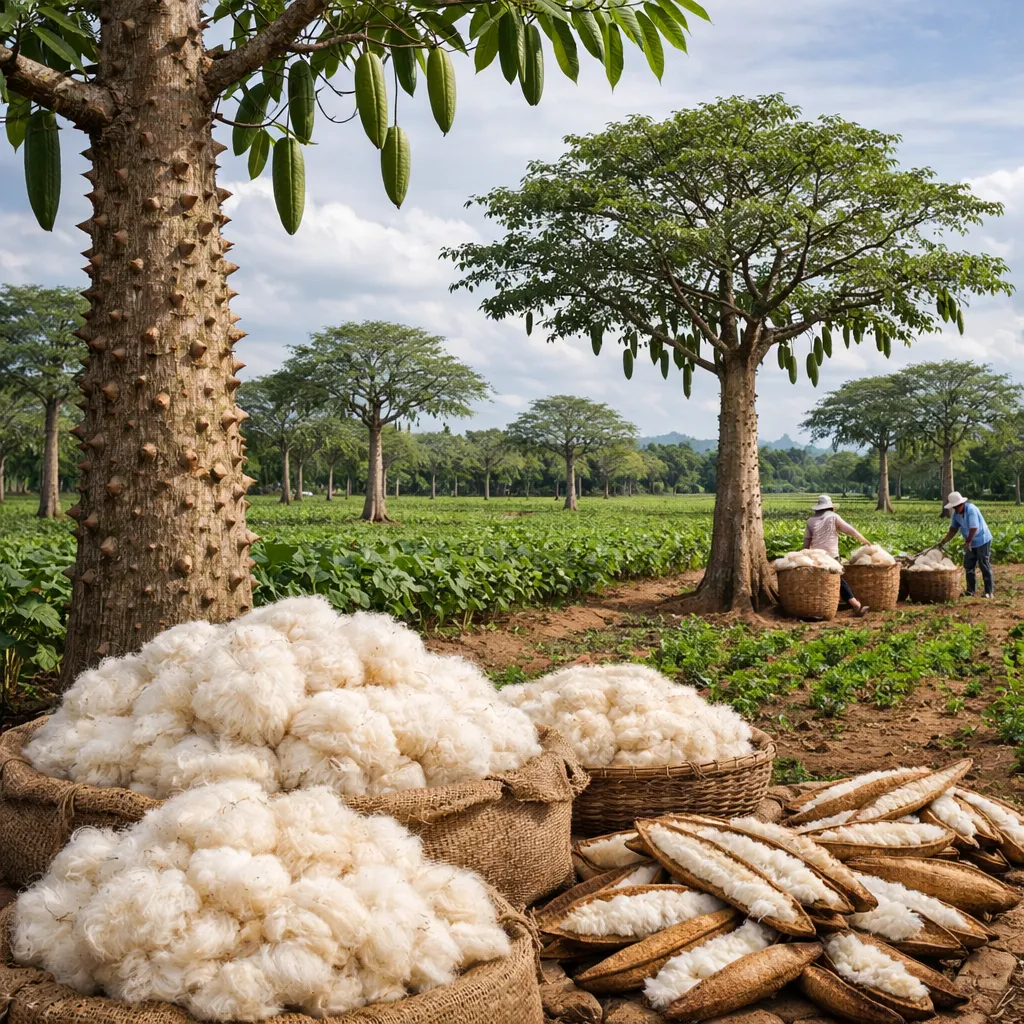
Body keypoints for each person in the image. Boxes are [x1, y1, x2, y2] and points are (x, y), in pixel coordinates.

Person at [803, 494, 871, 616]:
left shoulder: (810, 521)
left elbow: (806, 541)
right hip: (831, 555)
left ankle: (820, 605)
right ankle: (855, 605)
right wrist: (865, 541)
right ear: (830, 507)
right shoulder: (834, 517)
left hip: (816, 555)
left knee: (819, 580)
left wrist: (803, 555)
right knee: (837, 579)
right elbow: (850, 530)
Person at [939, 491, 994, 598]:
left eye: (957, 507)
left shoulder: (971, 509)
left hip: (982, 540)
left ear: (961, 504)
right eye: (954, 508)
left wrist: (968, 541)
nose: (956, 509)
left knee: (984, 564)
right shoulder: (956, 515)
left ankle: (989, 592)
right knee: (968, 565)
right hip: (970, 542)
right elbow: (953, 529)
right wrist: (943, 541)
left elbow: (974, 528)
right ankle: (971, 590)